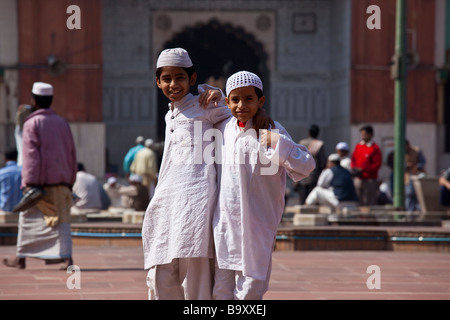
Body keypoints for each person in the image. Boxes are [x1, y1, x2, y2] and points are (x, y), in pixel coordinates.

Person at [213, 71, 315, 300]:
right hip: (225, 225)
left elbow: (306, 166)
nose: (241, 105)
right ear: (227, 101)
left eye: (249, 99)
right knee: (221, 290)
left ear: (261, 101)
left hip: (257, 224)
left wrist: (279, 142)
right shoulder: (222, 129)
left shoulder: (270, 130)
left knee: (250, 289)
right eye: (235, 99)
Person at [141, 48, 233, 300]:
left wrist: (220, 95)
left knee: (196, 275)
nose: (173, 84)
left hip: (197, 202)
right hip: (168, 200)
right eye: (167, 78)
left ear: (191, 79)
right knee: (162, 271)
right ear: (157, 82)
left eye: (180, 77)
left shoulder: (205, 105)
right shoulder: (170, 114)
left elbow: (238, 116)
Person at [3, 82, 77, 270]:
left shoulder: (32, 123)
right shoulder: (62, 123)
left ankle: (21, 259)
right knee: (62, 222)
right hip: (61, 183)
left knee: (27, 221)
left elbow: (30, 157)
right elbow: (71, 153)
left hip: (39, 185)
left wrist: (29, 182)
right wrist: (70, 180)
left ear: (33, 100)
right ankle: (67, 259)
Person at [350, 125, 382, 206]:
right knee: (358, 200)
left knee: (369, 201)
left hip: (370, 179)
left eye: (365, 134)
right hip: (358, 178)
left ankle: (368, 218)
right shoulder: (358, 146)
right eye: (362, 134)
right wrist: (355, 168)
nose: (362, 136)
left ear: (370, 134)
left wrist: (364, 169)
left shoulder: (375, 148)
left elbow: (377, 164)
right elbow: (353, 159)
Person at [295, 124, 327, 204]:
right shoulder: (319, 144)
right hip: (314, 177)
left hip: (301, 176)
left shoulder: (301, 143)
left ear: (309, 133)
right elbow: (322, 163)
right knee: (311, 203)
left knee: (302, 201)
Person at [404, 140, 426, 211]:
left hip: (417, 175)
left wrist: (417, 166)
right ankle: (410, 213)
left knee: (419, 195)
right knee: (409, 195)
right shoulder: (400, 152)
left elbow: (423, 161)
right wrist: (407, 166)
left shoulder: (416, 150)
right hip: (407, 177)